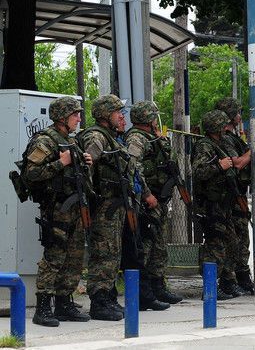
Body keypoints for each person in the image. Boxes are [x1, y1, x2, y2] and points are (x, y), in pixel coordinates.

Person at [78, 94, 157, 320]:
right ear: (105, 115)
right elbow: (89, 158)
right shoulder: (97, 135)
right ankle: (99, 301)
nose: (121, 116)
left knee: (114, 255)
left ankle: (108, 297)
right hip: (105, 207)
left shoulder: (114, 138)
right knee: (104, 254)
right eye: (117, 113)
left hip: (118, 206)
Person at [23, 97, 92, 327]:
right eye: (75, 115)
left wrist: (85, 161)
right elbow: (31, 173)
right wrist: (60, 164)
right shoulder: (45, 141)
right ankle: (43, 307)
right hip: (58, 209)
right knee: (54, 257)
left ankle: (64, 302)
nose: (79, 119)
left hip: (75, 208)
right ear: (62, 117)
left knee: (74, 258)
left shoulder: (71, 140)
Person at [125, 100, 181, 308]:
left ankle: (158, 287)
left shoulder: (152, 137)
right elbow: (133, 168)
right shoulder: (136, 138)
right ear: (147, 118)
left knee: (159, 247)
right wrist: (147, 194)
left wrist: (161, 140)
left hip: (159, 201)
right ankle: (144, 294)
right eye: (154, 116)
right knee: (146, 247)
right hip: (147, 203)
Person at [192, 110, 243, 299]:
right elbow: (198, 172)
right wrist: (219, 167)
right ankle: (210, 287)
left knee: (231, 242)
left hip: (222, 204)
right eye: (222, 125)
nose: (225, 128)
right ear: (215, 127)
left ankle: (227, 282)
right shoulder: (204, 146)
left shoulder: (217, 144)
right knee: (215, 245)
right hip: (211, 205)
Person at [214, 97, 254, 294]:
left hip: (238, 193)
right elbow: (237, 163)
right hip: (233, 195)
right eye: (237, 112)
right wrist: (252, 151)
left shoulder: (232, 137)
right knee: (237, 239)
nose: (240, 116)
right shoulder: (227, 139)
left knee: (239, 238)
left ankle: (238, 277)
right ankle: (236, 277)